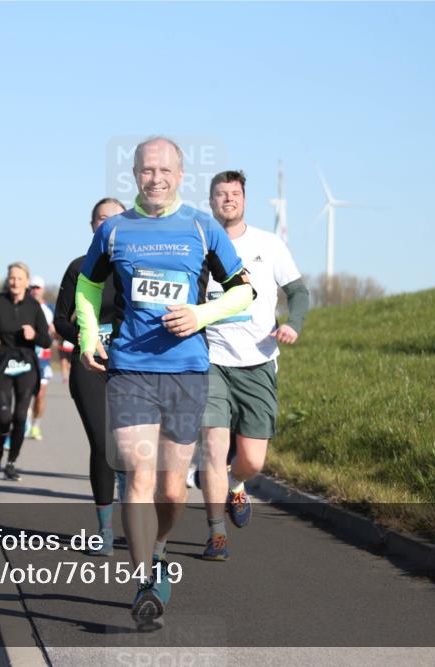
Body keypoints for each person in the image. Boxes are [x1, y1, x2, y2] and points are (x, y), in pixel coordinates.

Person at [75, 137, 254, 630]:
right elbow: (88, 286)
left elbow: (245, 291)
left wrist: (201, 312)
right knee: (137, 473)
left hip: (187, 371)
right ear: (134, 174)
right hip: (130, 367)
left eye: (164, 170)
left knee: (172, 491)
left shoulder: (202, 227)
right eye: (146, 170)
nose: (155, 178)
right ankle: (145, 580)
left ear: (180, 174)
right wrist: (89, 334)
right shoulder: (113, 230)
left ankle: (157, 547)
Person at [198, 171, 309, 561]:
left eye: (235, 194)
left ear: (244, 200)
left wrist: (292, 323)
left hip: (258, 359)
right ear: (210, 200)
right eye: (220, 194)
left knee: (253, 460)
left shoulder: (268, 243)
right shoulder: (198, 242)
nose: (228, 199)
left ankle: (235, 485)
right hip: (210, 358)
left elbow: (297, 292)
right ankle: (216, 535)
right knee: (213, 447)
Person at [55, 197, 126, 555]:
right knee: (103, 444)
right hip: (90, 369)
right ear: (92, 226)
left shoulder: (136, 267)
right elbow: (60, 321)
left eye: (116, 219)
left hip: (132, 369)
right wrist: (88, 338)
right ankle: (105, 531)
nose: (108, 225)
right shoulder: (79, 268)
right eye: (101, 219)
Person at [0, 262, 52, 481]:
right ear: (7, 280)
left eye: (19, 278)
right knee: (4, 417)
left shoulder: (34, 306)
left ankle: (11, 463)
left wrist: (34, 335)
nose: (15, 282)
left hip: (25, 363)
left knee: (20, 416)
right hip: (2, 361)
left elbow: (47, 340)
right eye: (12, 278)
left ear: (27, 281)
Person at [28, 276, 56, 440]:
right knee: (24, 394)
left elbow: (59, 334)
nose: (34, 290)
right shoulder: (23, 307)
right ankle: (24, 421)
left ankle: (36, 425)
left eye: (37, 287)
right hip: (27, 356)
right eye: (32, 287)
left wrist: (55, 331)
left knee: (40, 395)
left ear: (43, 289)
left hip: (43, 358)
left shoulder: (50, 309)